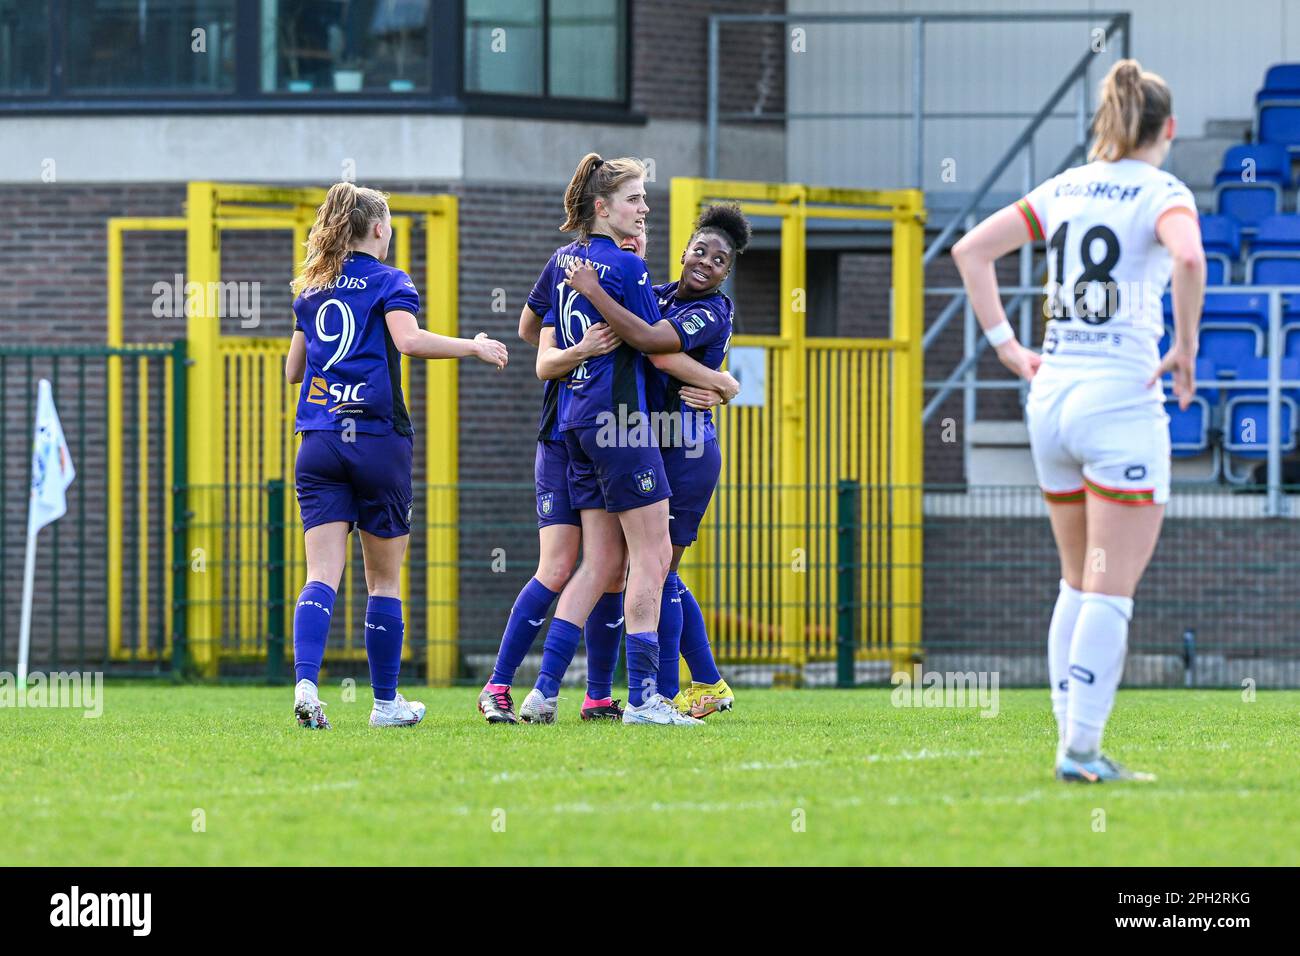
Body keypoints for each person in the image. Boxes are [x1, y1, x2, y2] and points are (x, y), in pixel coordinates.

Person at [952, 59, 1204, 782]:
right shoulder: (1162, 189)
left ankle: (1073, 742)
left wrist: (1006, 347)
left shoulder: (1065, 186)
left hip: (1051, 397)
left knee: (1075, 579)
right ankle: (1083, 750)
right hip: (1119, 399)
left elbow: (971, 250)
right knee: (1110, 587)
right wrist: (1184, 349)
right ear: (1168, 129)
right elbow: (1188, 256)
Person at [285, 182, 508, 729]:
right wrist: (472, 346)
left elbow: (293, 371)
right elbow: (407, 342)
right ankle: (386, 704)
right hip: (377, 439)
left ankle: (307, 685)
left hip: (317, 441)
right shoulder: (391, 281)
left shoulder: (313, 289)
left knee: (321, 575)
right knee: (382, 581)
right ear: (380, 228)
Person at [565, 203, 752, 718]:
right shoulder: (666, 293)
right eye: (700, 250)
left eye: (719, 260)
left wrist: (595, 290)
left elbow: (649, 342)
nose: (706, 263)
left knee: (656, 568)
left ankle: (664, 694)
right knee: (653, 570)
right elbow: (641, 312)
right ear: (686, 249)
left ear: (727, 273)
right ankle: (701, 683)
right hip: (650, 443)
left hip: (687, 448)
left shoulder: (714, 310)